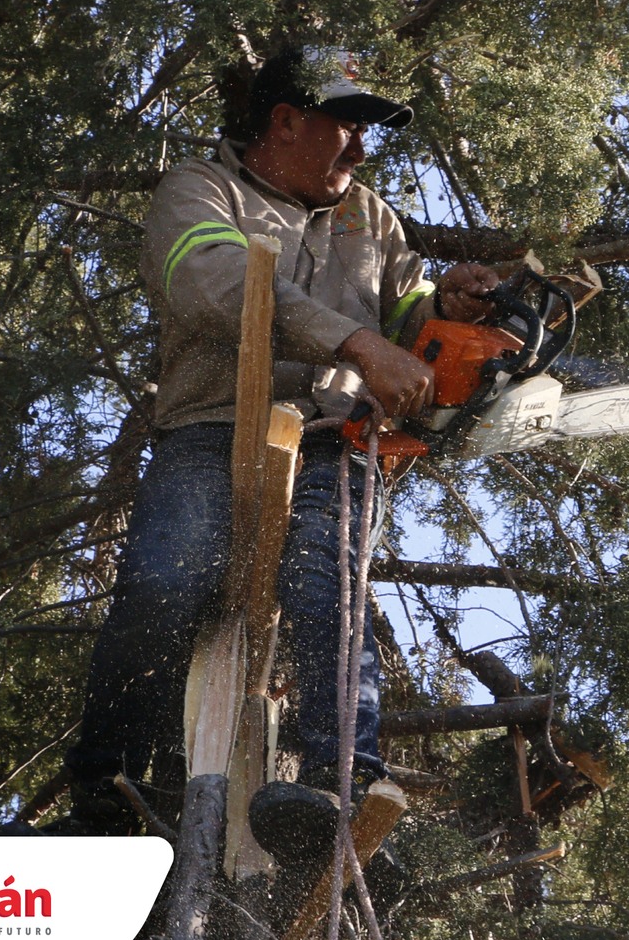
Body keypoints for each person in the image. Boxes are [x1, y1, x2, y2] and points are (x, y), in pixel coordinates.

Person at [50, 46, 498, 851]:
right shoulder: (200, 189)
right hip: (213, 425)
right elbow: (217, 282)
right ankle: (111, 794)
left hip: (337, 437)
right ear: (286, 120)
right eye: (347, 127)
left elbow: (410, 322)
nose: (361, 150)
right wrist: (359, 341)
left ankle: (342, 785)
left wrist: (447, 308)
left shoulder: (373, 219)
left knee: (331, 586)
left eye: (368, 133)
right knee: (165, 578)